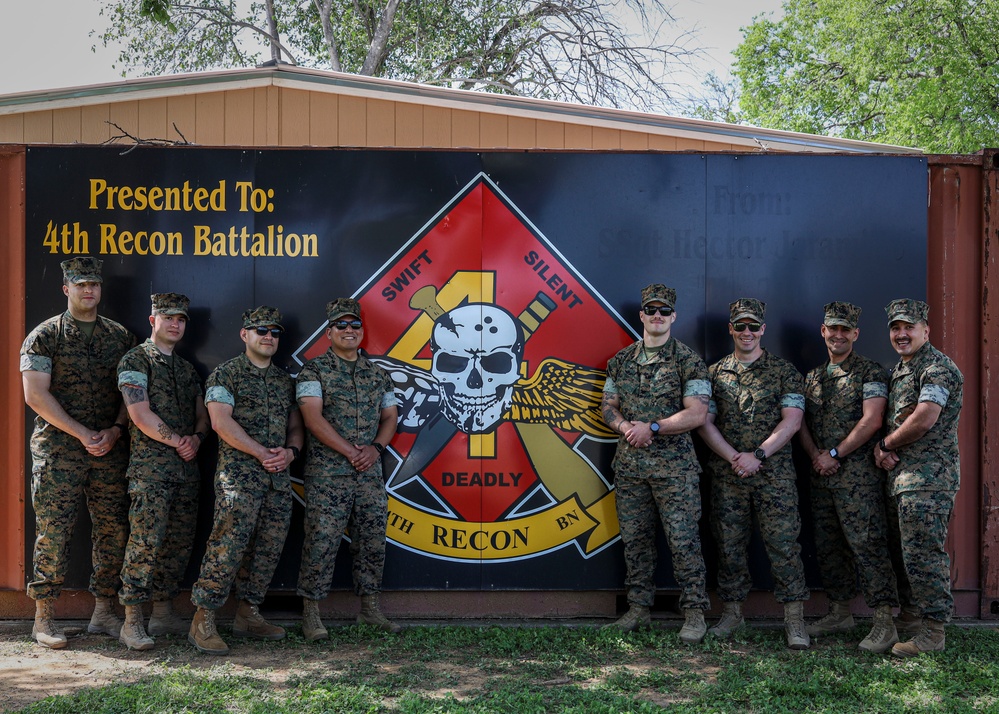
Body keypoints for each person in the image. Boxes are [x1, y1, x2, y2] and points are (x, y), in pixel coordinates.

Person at [20, 257, 136, 649]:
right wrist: (83, 433)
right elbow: (35, 395)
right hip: (58, 451)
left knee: (113, 530)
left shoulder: (120, 337)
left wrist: (116, 429)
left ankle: (103, 612)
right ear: (66, 289)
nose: (89, 290)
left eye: (94, 284)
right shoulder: (44, 336)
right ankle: (43, 617)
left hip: (109, 449)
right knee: (53, 531)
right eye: (81, 284)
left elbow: (132, 392)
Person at [188, 306, 305, 655]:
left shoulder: (285, 382)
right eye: (260, 330)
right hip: (239, 480)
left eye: (274, 332)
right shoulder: (226, 375)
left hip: (277, 481)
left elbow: (296, 427)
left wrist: (290, 453)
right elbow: (220, 422)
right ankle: (203, 620)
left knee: (268, 549)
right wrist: (261, 452)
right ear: (245, 334)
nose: (268, 336)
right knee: (227, 547)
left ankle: (248, 614)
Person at [697, 298, 811, 649]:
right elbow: (704, 422)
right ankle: (733, 613)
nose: (746, 332)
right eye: (740, 326)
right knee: (729, 544)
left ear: (763, 329)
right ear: (730, 329)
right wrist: (735, 457)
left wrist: (758, 455)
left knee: (784, 545)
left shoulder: (784, 371)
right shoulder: (714, 374)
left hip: (774, 476)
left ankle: (794, 620)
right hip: (728, 475)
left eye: (753, 326)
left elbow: (792, 421)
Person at [600, 284, 711, 643]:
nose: (658, 316)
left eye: (664, 310)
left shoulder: (688, 360)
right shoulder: (620, 361)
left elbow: (697, 413)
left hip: (675, 471)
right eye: (651, 310)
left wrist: (652, 427)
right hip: (631, 469)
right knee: (635, 541)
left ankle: (695, 613)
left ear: (673, 316)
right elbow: (608, 406)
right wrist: (625, 428)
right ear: (642, 316)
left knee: (683, 541)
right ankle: (638, 609)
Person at [296, 298, 400, 639]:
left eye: (355, 325)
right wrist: (351, 452)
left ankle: (369, 610)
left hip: (368, 475)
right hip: (328, 475)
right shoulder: (314, 371)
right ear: (329, 333)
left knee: (372, 540)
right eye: (341, 325)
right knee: (321, 541)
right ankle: (311, 614)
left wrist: (375, 449)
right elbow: (312, 418)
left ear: (362, 331)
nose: (349, 330)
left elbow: (390, 417)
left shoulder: (378, 374)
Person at [798, 302, 899, 652]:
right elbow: (801, 423)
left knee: (867, 545)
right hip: (822, 476)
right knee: (829, 547)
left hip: (858, 479)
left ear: (855, 334)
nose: (838, 335)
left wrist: (834, 454)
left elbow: (872, 420)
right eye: (833, 328)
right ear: (823, 331)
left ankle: (884, 622)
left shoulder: (870, 372)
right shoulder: (812, 377)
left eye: (845, 329)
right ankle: (840, 612)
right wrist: (816, 456)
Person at [117, 293, 209, 650]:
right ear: (152, 319)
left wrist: (197, 439)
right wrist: (179, 442)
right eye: (168, 317)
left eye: (181, 319)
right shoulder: (136, 359)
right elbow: (139, 414)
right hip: (151, 473)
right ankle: (132, 622)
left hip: (186, 472)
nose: (175, 324)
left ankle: (162, 612)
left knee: (177, 545)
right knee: (144, 544)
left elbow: (202, 414)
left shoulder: (186, 369)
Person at [875, 299, 963, 658]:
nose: (901, 334)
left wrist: (886, 444)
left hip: (928, 479)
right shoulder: (902, 369)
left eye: (908, 327)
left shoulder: (936, 367)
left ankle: (933, 631)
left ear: (926, 330)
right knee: (906, 553)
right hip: (904, 478)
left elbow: (925, 417)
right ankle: (912, 618)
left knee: (924, 554)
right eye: (895, 328)